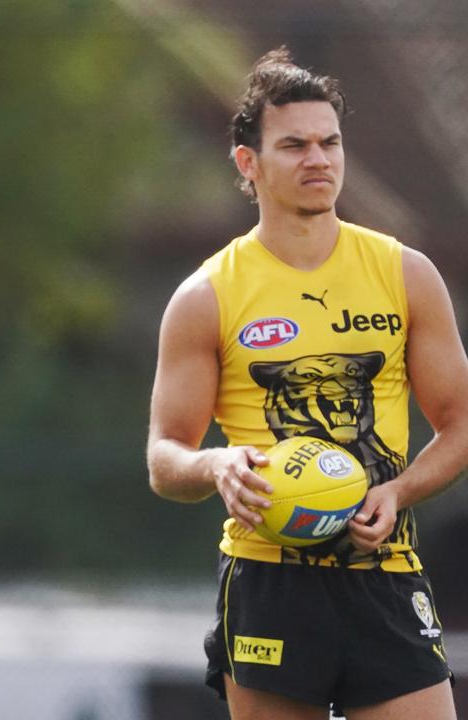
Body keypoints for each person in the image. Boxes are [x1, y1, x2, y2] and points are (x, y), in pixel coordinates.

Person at [147, 48, 468, 720]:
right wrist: (216, 465)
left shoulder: (405, 274)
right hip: (269, 580)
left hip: (384, 575)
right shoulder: (206, 296)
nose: (318, 159)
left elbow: (460, 425)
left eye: (330, 142)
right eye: (294, 145)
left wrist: (398, 490)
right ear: (248, 163)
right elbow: (164, 456)